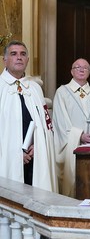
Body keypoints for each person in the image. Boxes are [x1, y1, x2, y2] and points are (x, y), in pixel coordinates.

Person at [0, 40, 58, 192]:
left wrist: (38, 146)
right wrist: (15, 153)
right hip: (6, 159)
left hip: (35, 157)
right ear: (4, 60)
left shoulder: (35, 88)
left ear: (27, 60)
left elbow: (46, 125)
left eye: (23, 54)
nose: (19, 57)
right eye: (14, 54)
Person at [52, 58, 90, 197]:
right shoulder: (62, 92)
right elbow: (60, 121)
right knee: (72, 182)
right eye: (77, 67)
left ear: (89, 72)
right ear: (71, 71)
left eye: (85, 67)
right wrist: (79, 135)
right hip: (72, 146)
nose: (81, 69)